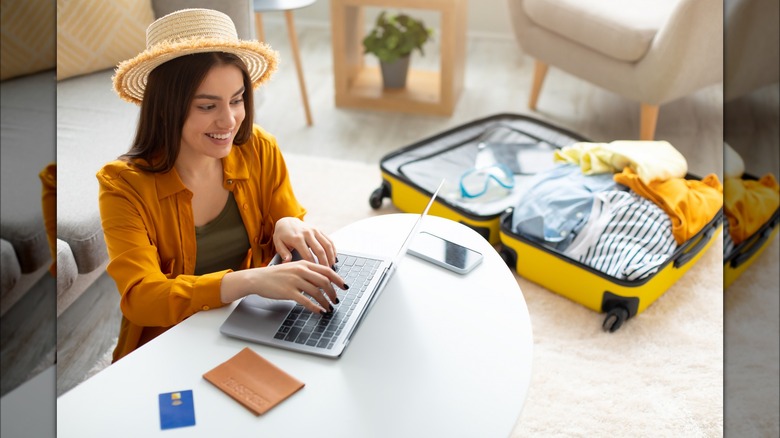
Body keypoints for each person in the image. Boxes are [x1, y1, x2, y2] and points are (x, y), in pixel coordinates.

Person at [99, 8, 346, 362]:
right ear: (167, 108)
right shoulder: (122, 186)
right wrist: (250, 281)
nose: (229, 120)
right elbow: (141, 297)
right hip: (168, 346)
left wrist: (289, 223)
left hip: (250, 326)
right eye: (207, 105)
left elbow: (288, 226)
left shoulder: (259, 148)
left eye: (237, 99)